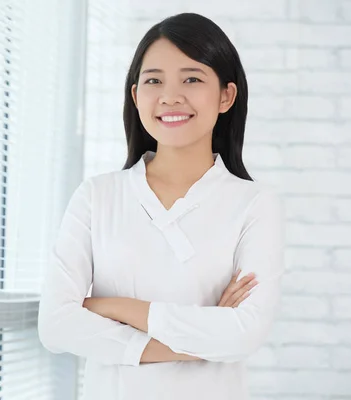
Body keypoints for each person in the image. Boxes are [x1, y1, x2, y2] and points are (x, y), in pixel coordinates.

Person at [37, 12, 285, 400]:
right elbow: (55, 326)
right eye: (154, 80)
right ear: (135, 96)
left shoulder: (253, 204)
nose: (170, 96)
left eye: (192, 78)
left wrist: (111, 306)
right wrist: (199, 341)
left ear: (226, 96)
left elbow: (244, 335)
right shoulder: (97, 196)